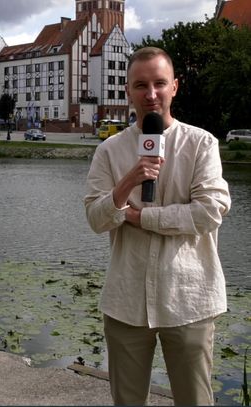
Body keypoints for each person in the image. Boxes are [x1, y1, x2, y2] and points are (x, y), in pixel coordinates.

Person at [84, 46, 231, 406]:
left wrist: (141, 216)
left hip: (189, 298)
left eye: (159, 83)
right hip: (126, 300)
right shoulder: (110, 151)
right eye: (141, 85)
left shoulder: (201, 144)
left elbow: (209, 212)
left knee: (194, 401)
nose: (151, 94)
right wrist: (127, 183)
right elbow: (95, 219)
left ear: (175, 87)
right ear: (128, 91)